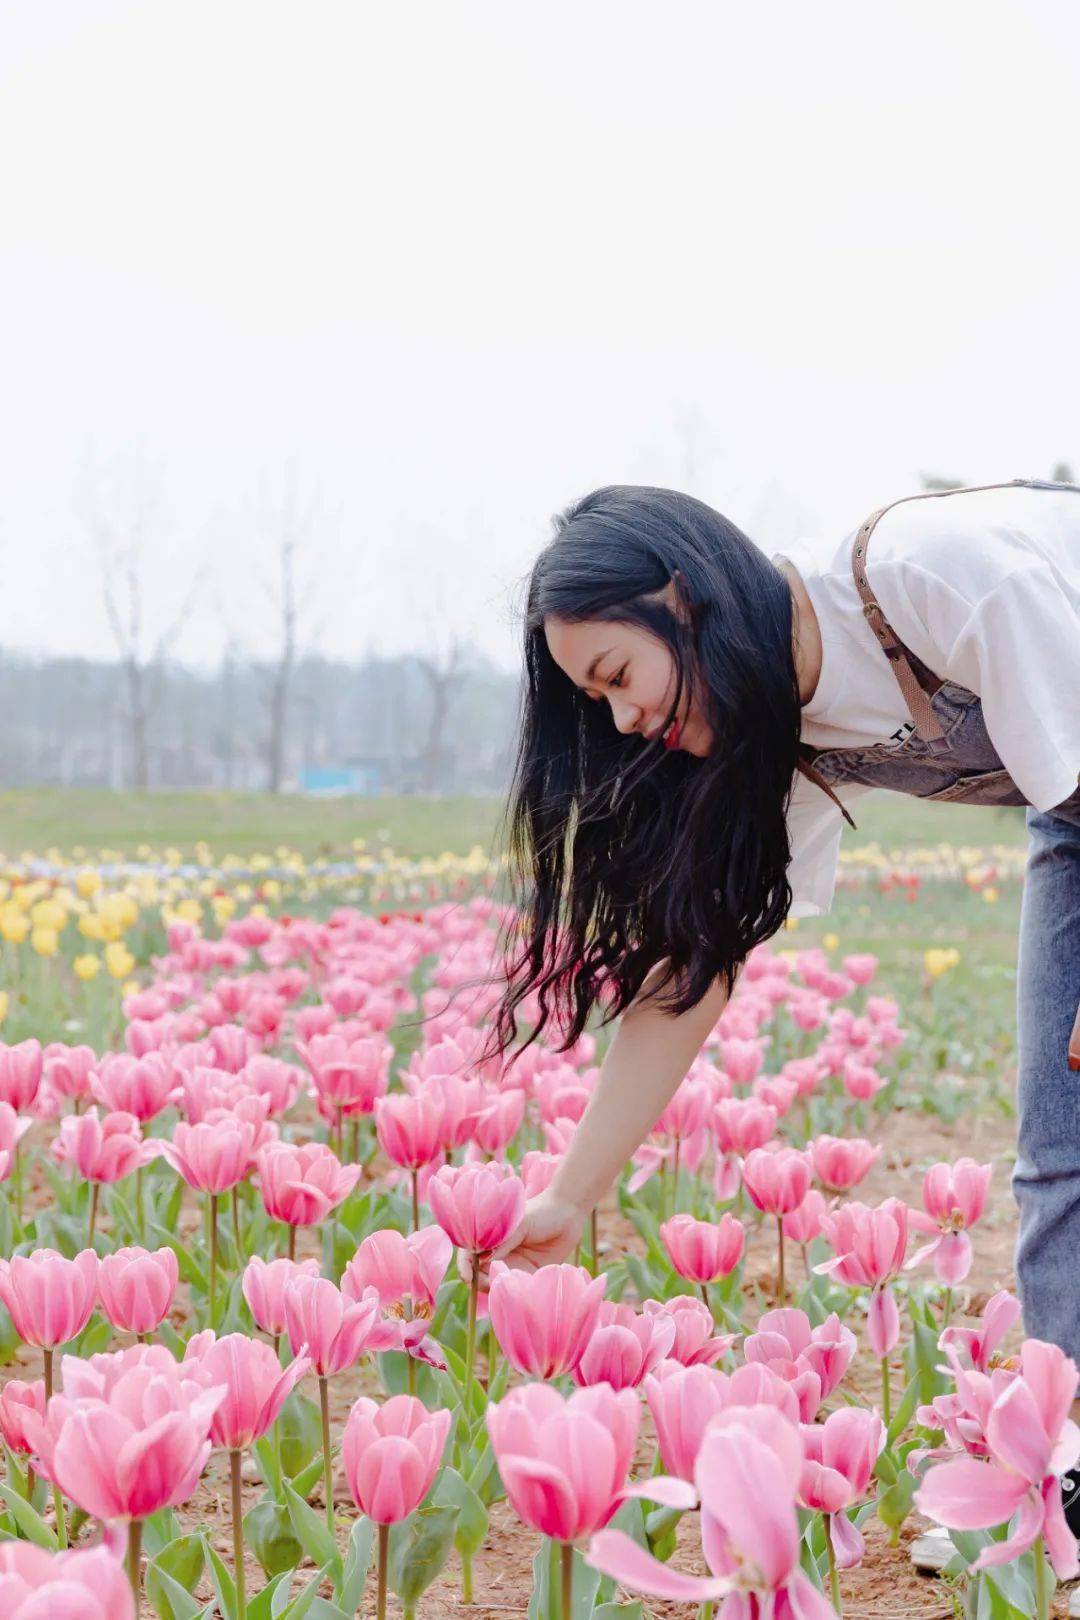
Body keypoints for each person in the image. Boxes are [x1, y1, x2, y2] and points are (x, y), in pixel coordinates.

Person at [475, 478, 1080, 1390]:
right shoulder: (770, 732)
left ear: (685, 595)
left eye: (617, 677)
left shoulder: (933, 578)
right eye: (596, 703)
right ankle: (1068, 1446)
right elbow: (691, 967)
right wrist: (570, 1196)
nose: (624, 720)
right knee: (1062, 1145)